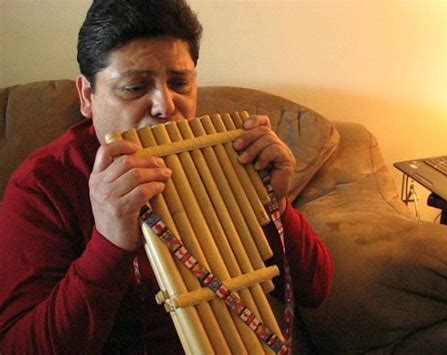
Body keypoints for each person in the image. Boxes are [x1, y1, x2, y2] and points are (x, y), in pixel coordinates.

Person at [0, 0, 333, 353]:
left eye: (179, 83)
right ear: (87, 96)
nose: (165, 105)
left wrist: (275, 206)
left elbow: (315, 290)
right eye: (135, 87)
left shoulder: (230, 159)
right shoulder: (42, 186)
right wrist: (109, 243)